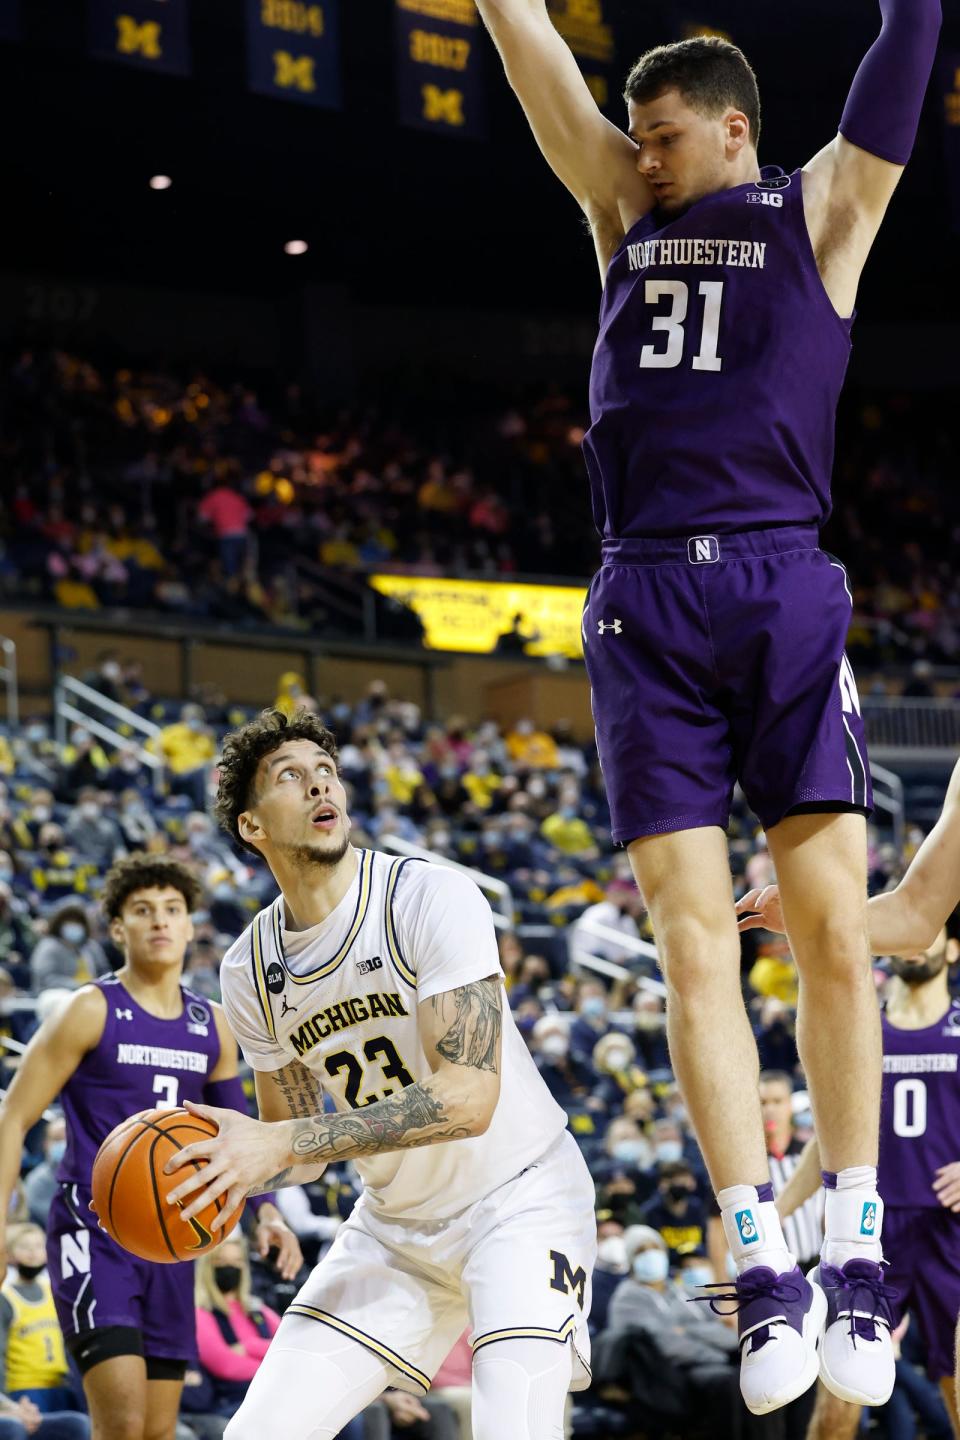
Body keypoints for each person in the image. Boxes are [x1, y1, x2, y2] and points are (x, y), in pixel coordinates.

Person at [477, 0, 941, 1413]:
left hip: (782, 579)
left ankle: (855, 1246)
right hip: (643, 599)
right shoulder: (623, 208)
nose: (645, 157)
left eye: (666, 137)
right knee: (692, 951)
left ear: (734, 127)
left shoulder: (819, 214)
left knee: (837, 943)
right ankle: (763, 1264)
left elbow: (904, 57)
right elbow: (540, 68)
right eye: (638, 140)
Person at [164, 709, 596, 1440]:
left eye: (325, 772)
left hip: (521, 1197)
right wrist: (223, 1174)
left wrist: (286, 1143)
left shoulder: (427, 895)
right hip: (396, 1228)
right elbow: (289, 1145)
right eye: (290, 778)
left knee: (512, 1428)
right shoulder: (249, 967)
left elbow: (468, 1096)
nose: (318, 786)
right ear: (251, 827)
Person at [0, 854, 301, 1440]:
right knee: (122, 1425)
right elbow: (13, 1115)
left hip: (173, 1239)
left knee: (160, 1431)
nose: (160, 922)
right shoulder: (89, 1009)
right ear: (118, 929)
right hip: (94, 1230)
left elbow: (237, 1129)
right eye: (142, 911)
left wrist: (266, 1212)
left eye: (172, 910)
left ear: (191, 925)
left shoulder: (212, 1025)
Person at [776, 919, 960, 1440]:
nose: (916, 941)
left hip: (950, 1228)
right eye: (908, 930)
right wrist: (779, 1211)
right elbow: (827, 1137)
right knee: (838, 1395)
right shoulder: (863, 1030)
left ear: (952, 949)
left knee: (957, 1383)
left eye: (930, 932)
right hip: (871, 1228)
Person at [194, 1237, 280, 1416]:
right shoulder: (201, 1313)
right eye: (221, 1262)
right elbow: (225, 1364)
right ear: (208, 1268)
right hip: (233, 1401)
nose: (229, 1268)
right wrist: (275, 1371)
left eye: (236, 1262)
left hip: (273, 1391)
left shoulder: (257, 1308)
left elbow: (287, 1346)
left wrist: (249, 1346)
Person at [0, 1223, 79, 1417]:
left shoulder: (53, 1291)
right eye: (25, 1247)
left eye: (38, 1246)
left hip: (60, 1384)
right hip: (24, 1388)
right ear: (9, 1254)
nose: (33, 1253)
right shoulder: (7, 1297)